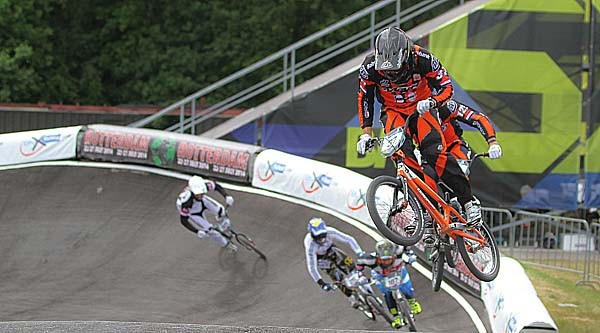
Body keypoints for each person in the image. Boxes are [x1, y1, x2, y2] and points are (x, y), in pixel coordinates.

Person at [356, 26, 482, 229]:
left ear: (406, 55)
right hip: (393, 111)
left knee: (434, 154)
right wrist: (365, 134)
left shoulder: (423, 58)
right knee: (404, 160)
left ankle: (468, 201)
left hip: (422, 108)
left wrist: (433, 101)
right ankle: (423, 211)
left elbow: (447, 87)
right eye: (387, 70)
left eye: (396, 68)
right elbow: (365, 98)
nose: (392, 74)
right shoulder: (369, 67)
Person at [419, 99, 503, 244]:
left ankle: (468, 204)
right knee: (425, 179)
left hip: (454, 148)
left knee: (459, 167)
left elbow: (478, 118)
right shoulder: (413, 110)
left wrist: (492, 142)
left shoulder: (447, 106)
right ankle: (430, 221)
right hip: (430, 156)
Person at [356, 239, 421, 329]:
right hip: (381, 276)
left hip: (398, 272)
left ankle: (412, 301)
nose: (387, 262)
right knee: (387, 294)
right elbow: (359, 264)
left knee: (406, 287)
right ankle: (396, 316)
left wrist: (410, 255)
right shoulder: (369, 259)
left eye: (389, 259)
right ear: (378, 257)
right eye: (384, 260)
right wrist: (361, 276)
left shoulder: (399, 250)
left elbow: (407, 245)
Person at [304, 217, 364, 309]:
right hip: (320, 258)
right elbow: (311, 266)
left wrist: (359, 252)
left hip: (331, 249)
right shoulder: (310, 244)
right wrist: (321, 283)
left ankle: (361, 282)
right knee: (336, 276)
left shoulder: (330, 231)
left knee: (349, 263)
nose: (322, 239)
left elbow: (348, 239)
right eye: (318, 237)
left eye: (323, 235)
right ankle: (350, 296)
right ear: (312, 235)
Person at [176, 175, 237, 252]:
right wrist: (197, 231)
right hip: (193, 212)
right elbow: (183, 221)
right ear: (192, 192)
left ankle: (226, 227)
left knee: (222, 211)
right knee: (211, 231)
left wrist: (226, 196)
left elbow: (217, 186)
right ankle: (226, 245)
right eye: (198, 194)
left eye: (202, 193)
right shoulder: (186, 203)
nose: (200, 196)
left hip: (202, 203)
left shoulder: (203, 187)